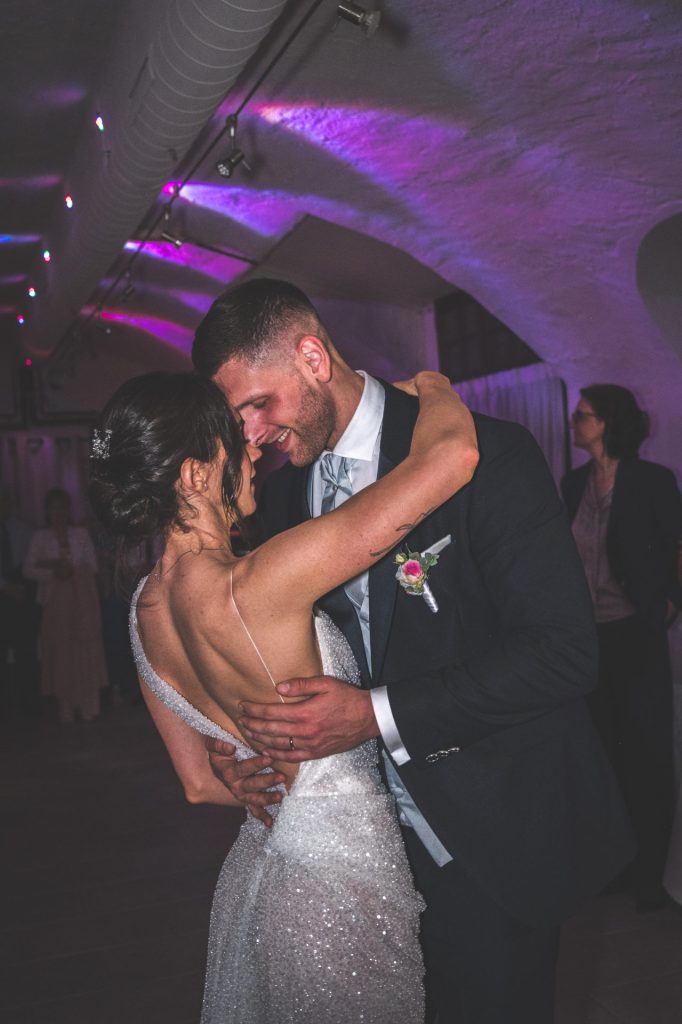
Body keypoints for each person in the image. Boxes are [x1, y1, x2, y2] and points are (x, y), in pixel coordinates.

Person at [192, 278, 635, 1024]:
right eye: (238, 421)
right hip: (358, 862)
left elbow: (563, 653)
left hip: (489, 843)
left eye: (258, 405)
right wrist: (246, 746)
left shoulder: (486, 453)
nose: (253, 436)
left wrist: (375, 714)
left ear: (312, 358)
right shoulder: (281, 502)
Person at [88, 368, 479, 1023]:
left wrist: (266, 787)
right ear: (194, 475)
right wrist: (432, 387)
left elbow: (199, 784)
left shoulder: (144, 612)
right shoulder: (263, 581)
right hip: (342, 883)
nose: (252, 452)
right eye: (231, 441)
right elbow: (453, 457)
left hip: (271, 873)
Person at [562, 385, 682, 911]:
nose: (574, 422)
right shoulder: (573, 483)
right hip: (590, 640)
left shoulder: (653, 480)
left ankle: (650, 876)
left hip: (636, 632)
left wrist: (669, 604)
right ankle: (613, 869)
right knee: (601, 755)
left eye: (582, 415)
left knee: (647, 756)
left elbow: (677, 546)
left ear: (607, 422)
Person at [24, 488, 108, 723]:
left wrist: (75, 572)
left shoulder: (80, 534)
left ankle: (89, 706)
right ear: (48, 512)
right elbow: (28, 569)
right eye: (54, 508)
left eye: (62, 507)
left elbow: (92, 565)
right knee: (61, 651)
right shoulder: (40, 537)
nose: (58, 513)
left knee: (85, 649)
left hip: (82, 599)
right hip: (55, 601)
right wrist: (52, 571)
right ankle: (66, 707)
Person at [0, 484, 40, 715]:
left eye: (6, 502)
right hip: (3, 593)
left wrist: (21, 585)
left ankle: (29, 701)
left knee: (25, 648)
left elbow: (32, 560)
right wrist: (5, 586)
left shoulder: (23, 529)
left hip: (22, 594)